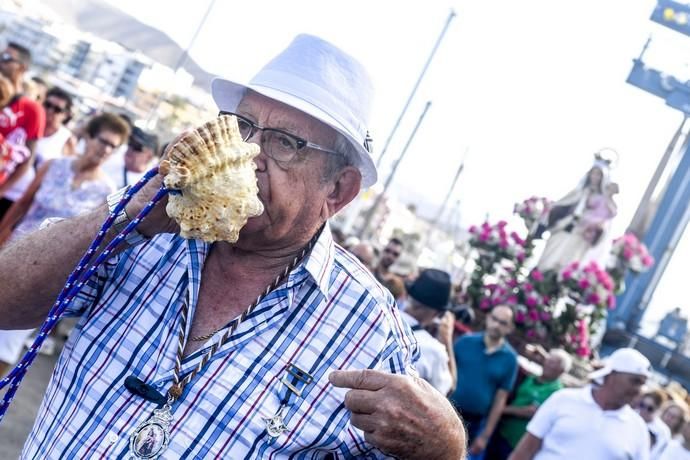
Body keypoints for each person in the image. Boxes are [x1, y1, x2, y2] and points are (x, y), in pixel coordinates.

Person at [0, 34, 463, 459]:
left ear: (338, 191)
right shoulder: (147, 225)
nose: (246, 153)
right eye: (241, 126)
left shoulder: (371, 331)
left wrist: (446, 448)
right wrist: (126, 215)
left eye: (285, 143)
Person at [0, 112, 128, 375]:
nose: (105, 150)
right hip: (14, 252)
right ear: (89, 137)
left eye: (112, 146)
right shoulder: (53, 166)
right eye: (102, 141)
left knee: (8, 342)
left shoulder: (107, 191)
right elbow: (23, 205)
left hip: (47, 272)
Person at [509, 347, 652, 460]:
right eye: (635, 381)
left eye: (643, 384)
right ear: (611, 375)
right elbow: (524, 451)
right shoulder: (563, 399)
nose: (639, 390)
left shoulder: (638, 430)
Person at [450, 304, 518, 459]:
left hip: (474, 423)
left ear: (510, 328)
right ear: (488, 318)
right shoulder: (465, 342)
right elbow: (445, 373)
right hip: (447, 409)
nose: (496, 325)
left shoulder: (510, 359)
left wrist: (485, 436)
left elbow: (500, 399)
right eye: (494, 319)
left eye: (503, 323)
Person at [537, 155, 616, 273]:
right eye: (593, 173)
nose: (595, 177)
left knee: (566, 265)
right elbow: (563, 203)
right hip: (564, 228)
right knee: (548, 260)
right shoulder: (579, 192)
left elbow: (609, 214)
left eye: (598, 174)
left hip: (580, 236)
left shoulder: (603, 199)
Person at [488, 349, 572, 458]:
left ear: (561, 371)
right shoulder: (532, 378)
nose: (548, 364)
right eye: (549, 360)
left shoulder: (556, 391)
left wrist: (500, 409)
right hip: (502, 432)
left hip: (518, 443)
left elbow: (531, 411)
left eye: (553, 363)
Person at [2, 86, 76, 210]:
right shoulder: (27, 121)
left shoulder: (66, 139)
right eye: (47, 105)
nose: (50, 111)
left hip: (21, 201)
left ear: (65, 114)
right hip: (3, 185)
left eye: (57, 109)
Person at [0, 42, 45, 219]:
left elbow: (27, 161)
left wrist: (2, 191)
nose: (0, 61)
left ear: (22, 68)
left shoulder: (32, 109)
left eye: (6, 58)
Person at [400, 269, 456, 394]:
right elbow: (448, 388)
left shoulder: (381, 317)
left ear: (409, 295)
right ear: (438, 313)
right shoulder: (433, 350)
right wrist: (447, 341)